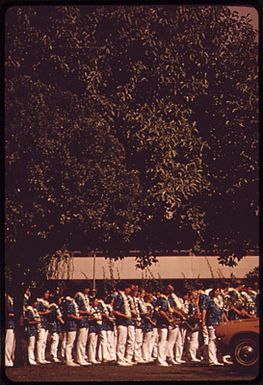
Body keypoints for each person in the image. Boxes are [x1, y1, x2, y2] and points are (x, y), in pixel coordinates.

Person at [201, 286, 224, 366]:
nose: (218, 292)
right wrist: (203, 321)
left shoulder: (219, 300)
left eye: (219, 291)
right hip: (211, 321)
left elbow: (221, 312)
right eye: (217, 291)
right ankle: (212, 360)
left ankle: (215, 358)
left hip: (217, 321)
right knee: (212, 339)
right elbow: (204, 310)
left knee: (216, 340)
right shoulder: (208, 299)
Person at [112, 282, 133, 366]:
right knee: (121, 341)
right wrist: (124, 315)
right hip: (121, 322)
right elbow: (115, 310)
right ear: (126, 288)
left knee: (124, 341)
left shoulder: (125, 298)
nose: (130, 290)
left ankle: (123, 357)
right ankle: (119, 358)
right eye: (129, 288)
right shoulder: (119, 297)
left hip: (125, 322)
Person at [62, 290, 83, 366]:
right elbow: (69, 314)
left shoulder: (67, 302)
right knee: (69, 343)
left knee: (69, 342)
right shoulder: (70, 303)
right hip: (71, 325)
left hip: (71, 325)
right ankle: (68, 360)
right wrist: (77, 318)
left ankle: (69, 358)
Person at [74, 283, 92, 366]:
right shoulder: (79, 297)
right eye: (87, 289)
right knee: (81, 340)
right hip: (81, 321)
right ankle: (79, 358)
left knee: (84, 341)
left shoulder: (86, 297)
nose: (88, 290)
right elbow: (76, 309)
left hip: (86, 321)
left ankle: (82, 356)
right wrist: (86, 312)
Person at [36, 289, 51, 364]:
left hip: (46, 323)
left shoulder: (47, 302)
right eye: (46, 293)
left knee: (44, 341)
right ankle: (39, 357)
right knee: (40, 340)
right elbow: (37, 312)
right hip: (41, 323)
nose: (47, 295)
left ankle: (43, 356)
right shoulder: (40, 302)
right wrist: (45, 313)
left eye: (48, 293)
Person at [48, 294, 64, 363]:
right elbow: (56, 315)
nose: (60, 301)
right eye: (60, 299)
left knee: (55, 340)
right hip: (53, 325)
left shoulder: (56, 306)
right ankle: (53, 355)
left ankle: (54, 354)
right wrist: (63, 322)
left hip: (55, 326)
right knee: (55, 339)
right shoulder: (53, 306)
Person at [25, 296, 41, 365]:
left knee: (32, 345)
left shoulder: (33, 310)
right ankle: (30, 359)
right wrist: (36, 322)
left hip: (33, 330)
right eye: (36, 302)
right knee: (30, 345)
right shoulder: (29, 310)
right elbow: (28, 321)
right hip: (30, 330)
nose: (37, 303)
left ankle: (32, 358)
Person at [87, 296, 102, 364]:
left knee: (95, 343)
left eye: (97, 302)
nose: (97, 303)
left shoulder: (97, 309)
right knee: (91, 343)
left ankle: (94, 357)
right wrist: (94, 318)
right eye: (95, 301)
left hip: (97, 327)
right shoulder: (90, 309)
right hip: (92, 327)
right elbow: (88, 318)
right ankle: (90, 357)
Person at [5, 291, 16, 367]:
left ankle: (10, 359)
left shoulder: (10, 299)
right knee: (8, 343)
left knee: (12, 343)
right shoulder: (6, 299)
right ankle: (6, 359)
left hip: (13, 324)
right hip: (8, 324)